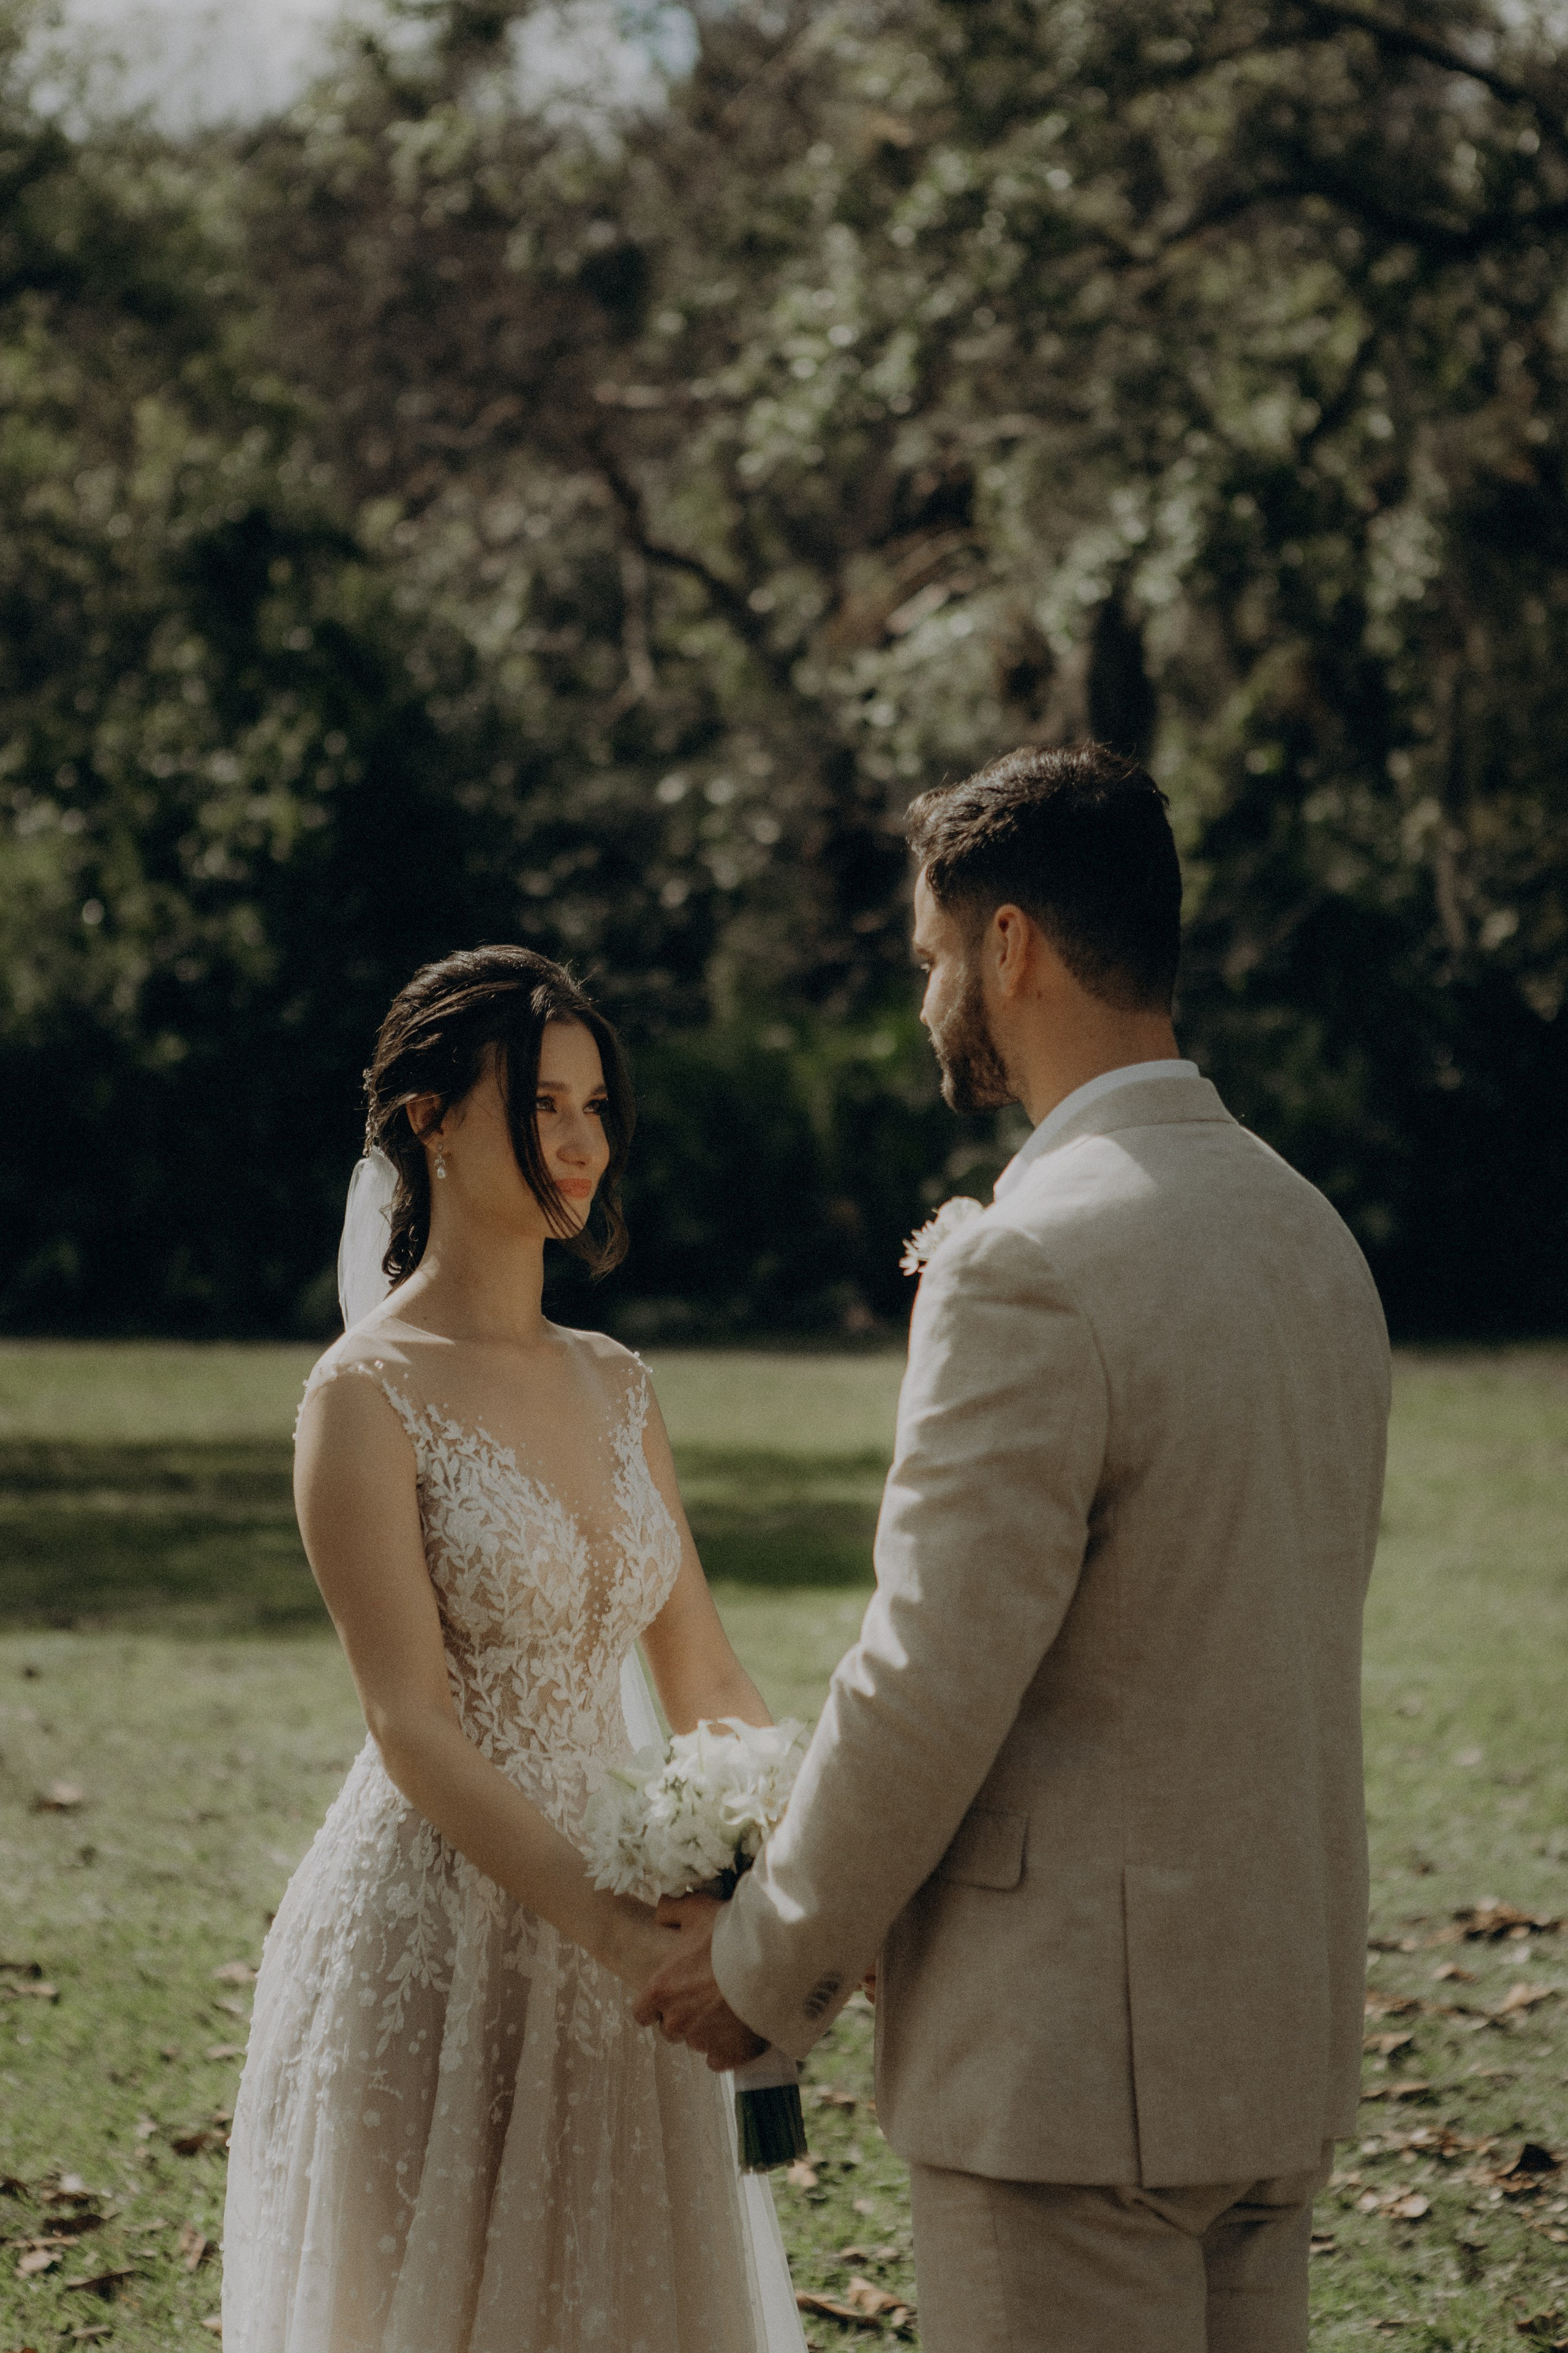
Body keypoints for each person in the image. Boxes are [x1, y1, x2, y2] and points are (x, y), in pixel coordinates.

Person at [638, 744, 1392, 2353]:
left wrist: (766, 1963)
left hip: (1070, 2080)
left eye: (930, 958)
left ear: (1010, 948)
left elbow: (929, 1677)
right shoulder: (1313, 1237)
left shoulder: (1032, 1260)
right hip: (1273, 2035)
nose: (928, 1002)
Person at [222, 945, 804, 2353]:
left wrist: (789, 1887)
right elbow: (410, 1726)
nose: (580, 1140)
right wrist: (611, 1935)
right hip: (445, 1926)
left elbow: (705, 1677)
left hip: (641, 1938)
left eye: (596, 1105)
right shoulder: (361, 1398)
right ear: (426, 1115)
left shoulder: (617, 1381)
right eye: (541, 1103)